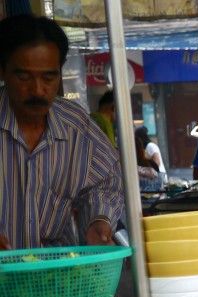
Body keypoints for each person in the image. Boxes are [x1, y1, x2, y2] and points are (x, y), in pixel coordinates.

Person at [0, 14, 122, 250]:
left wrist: (99, 218)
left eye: (49, 77)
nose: (37, 90)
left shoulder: (76, 126)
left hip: (59, 278)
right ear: (3, 71)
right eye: (24, 77)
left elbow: (105, 182)